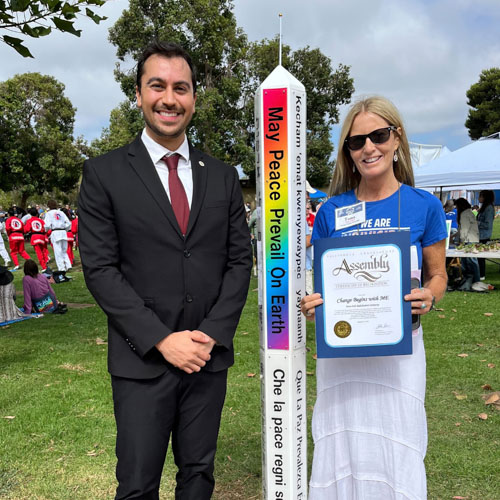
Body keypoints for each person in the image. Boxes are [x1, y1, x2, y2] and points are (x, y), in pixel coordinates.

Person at [78, 41, 252, 499]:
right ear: (138, 94)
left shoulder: (222, 176)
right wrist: (161, 339)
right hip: (143, 360)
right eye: (157, 86)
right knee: (137, 484)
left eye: (181, 87)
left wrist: (211, 334)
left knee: (198, 474)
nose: (169, 98)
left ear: (194, 96)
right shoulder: (104, 174)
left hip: (206, 356)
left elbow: (239, 261)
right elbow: (99, 269)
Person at [300, 96, 448, 500]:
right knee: (341, 440)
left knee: (397, 441)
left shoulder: (425, 206)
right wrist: (315, 306)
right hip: (343, 356)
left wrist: (429, 297)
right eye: (356, 141)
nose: (368, 147)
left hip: (399, 355)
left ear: (396, 139)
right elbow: (325, 285)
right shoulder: (332, 210)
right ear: (347, 152)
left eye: (378, 135)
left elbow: (439, 276)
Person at [454, 197, 481, 290]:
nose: (456, 209)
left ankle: (474, 281)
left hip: (468, 240)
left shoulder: (464, 214)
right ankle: (473, 281)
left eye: (457, 207)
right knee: (471, 261)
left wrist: (461, 241)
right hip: (473, 239)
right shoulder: (470, 212)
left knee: (470, 261)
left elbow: (464, 230)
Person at [44, 200, 72, 276]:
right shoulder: (61, 212)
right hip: (63, 232)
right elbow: (69, 223)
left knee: (58, 252)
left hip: (55, 232)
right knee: (64, 250)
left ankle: (62, 268)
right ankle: (68, 265)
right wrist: (65, 229)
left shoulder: (49, 214)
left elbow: (47, 225)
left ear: (49, 206)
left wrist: (45, 230)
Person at [476, 190, 495, 280]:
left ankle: (482, 274)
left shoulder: (489, 208)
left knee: (481, 256)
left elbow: (487, 224)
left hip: (484, 235)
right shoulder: (484, 207)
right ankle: (479, 273)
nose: (478, 198)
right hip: (479, 234)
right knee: (479, 256)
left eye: (480, 196)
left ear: (484, 197)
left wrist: (476, 222)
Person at [24, 207, 49, 272]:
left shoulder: (29, 220)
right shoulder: (41, 220)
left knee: (39, 253)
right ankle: (46, 262)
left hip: (35, 237)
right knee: (43, 251)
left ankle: (44, 267)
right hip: (42, 236)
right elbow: (46, 228)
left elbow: (26, 229)